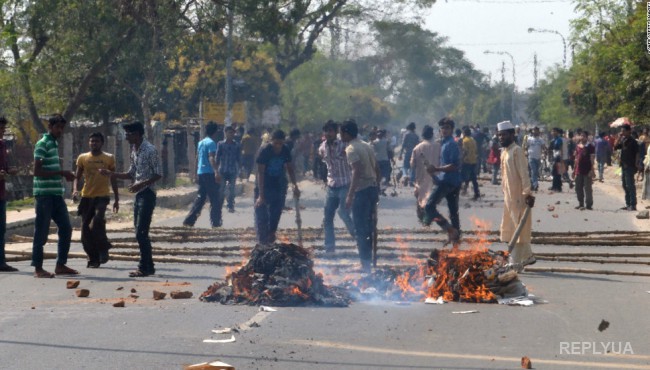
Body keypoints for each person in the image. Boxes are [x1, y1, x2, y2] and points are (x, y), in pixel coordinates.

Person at [100, 122, 161, 277]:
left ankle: (144, 267)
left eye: (128, 134)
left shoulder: (150, 150)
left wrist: (142, 183)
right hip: (139, 194)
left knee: (141, 232)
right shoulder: (134, 150)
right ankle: (149, 266)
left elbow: (158, 174)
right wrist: (111, 174)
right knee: (139, 231)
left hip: (147, 193)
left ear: (137, 134)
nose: (126, 137)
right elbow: (131, 174)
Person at [31, 114, 78, 278]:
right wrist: (62, 173)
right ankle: (38, 268)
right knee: (41, 232)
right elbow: (37, 172)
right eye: (57, 127)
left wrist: (63, 175)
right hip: (44, 195)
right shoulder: (42, 144)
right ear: (50, 127)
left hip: (56, 194)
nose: (59, 130)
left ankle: (61, 264)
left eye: (61, 128)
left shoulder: (54, 143)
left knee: (66, 228)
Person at [72, 132, 119, 268]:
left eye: (97, 141)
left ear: (102, 143)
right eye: (92, 141)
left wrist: (116, 199)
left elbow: (113, 178)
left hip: (102, 196)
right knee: (85, 230)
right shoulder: (83, 158)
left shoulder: (109, 158)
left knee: (98, 220)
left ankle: (103, 248)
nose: (94, 143)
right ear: (89, 143)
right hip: (86, 197)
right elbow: (77, 176)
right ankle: (93, 258)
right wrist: (75, 190)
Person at [497, 121, 536, 272]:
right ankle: (527, 257)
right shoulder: (504, 152)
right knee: (513, 226)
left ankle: (515, 262)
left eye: (504, 135)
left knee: (519, 228)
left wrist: (527, 192)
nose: (501, 138)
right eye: (499, 135)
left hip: (520, 196)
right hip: (509, 196)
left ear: (512, 135)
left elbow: (524, 173)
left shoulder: (517, 151)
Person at [341, 119, 379, 272]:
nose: (340, 136)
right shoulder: (366, 145)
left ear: (346, 133)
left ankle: (365, 265)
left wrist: (350, 195)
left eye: (341, 133)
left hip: (362, 191)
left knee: (360, 228)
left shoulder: (351, 149)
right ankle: (367, 262)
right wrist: (378, 187)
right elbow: (376, 168)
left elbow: (356, 171)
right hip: (372, 189)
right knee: (369, 227)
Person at [254, 129, 300, 244]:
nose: (278, 146)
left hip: (278, 185)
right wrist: (261, 195)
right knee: (262, 217)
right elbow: (260, 173)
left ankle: (271, 236)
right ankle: (262, 242)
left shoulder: (285, 150)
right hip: (263, 185)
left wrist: (295, 185)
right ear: (271, 141)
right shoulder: (265, 150)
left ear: (283, 142)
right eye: (276, 143)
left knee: (276, 214)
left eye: (280, 143)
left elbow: (290, 168)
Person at [318, 121, 355, 254]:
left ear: (336, 132)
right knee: (328, 216)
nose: (328, 134)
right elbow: (323, 161)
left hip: (345, 183)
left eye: (331, 131)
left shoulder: (344, 144)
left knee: (344, 213)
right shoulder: (322, 147)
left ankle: (357, 236)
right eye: (326, 131)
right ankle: (329, 247)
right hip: (332, 185)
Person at [423, 117, 462, 244]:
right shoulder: (443, 143)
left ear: (452, 130)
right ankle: (456, 242)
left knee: (429, 207)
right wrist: (434, 174)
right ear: (439, 130)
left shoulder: (451, 144)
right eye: (443, 128)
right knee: (453, 212)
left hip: (449, 181)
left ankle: (450, 229)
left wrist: (437, 169)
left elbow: (454, 165)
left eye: (447, 128)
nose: (445, 130)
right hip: (447, 180)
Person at [183, 122, 221, 228]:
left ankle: (189, 220)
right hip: (209, 173)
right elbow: (211, 157)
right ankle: (216, 223)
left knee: (201, 197)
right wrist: (216, 172)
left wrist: (195, 173)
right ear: (215, 132)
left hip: (201, 173)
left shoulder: (201, 143)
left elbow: (197, 158)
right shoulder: (211, 143)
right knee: (215, 199)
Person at [410, 125, 440, 223]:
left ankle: (422, 217)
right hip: (436, 177)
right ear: (432, 135)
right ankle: (429, 216)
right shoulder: (438, 146)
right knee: (432, 197)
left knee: (420, 197)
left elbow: (412, 164)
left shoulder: (417, 148)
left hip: (421, 177)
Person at [0, 117, 19, 272]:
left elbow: (4, 170)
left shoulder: (3, 145)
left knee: (1, 229)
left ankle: (1, 261)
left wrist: (9, 171)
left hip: (0, 194)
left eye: (3, 129)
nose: (2, 132)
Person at [614, 124, 640, 211]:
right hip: (623, 166)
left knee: (630, 186)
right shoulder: (623, 140)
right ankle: (628, 204)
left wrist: (636, 164)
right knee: (625, 185)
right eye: (621, 131)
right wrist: (618, 138)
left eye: (624, 131)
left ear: (629, 131)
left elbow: (637, 153)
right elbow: (615, 147)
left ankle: (633, 205)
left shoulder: (633, 141)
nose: (622, 132)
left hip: (630, 166)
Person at [216, 126, 241, 213]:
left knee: (232, 189)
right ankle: (219, 205)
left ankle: (230, 205)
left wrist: (241, 169)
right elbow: (217, 157)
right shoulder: (221, 144)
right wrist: (216, 171)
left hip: (232, 170)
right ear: (225, 133)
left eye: (232, 133)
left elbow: (239, 158)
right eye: (229, 132)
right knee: (221, 189)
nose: (231, 134)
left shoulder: (237, 145)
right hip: (222, 170)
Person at [573, 131, 595, 210]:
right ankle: (581, 203)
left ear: (587, 137)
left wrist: (592, 170)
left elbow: (592, 159)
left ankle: (589, 204)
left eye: (584, 136)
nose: (582, 137)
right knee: (578, 187)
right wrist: (574, 170)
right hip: (579, 170)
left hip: (587, 170)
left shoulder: (590, 146)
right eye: (581, 136)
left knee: (587, 188)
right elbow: (576, 159)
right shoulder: (578, 146)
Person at [461, 127, 480, 200]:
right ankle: (476, 193)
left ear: (464, 133)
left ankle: (463, 190)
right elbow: (476, 150)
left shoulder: (465, 141)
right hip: (474, 160)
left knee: (463, 176)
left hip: (467, 161)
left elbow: (465, 151)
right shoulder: (473, 140)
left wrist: (461, 159)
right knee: (473, 178)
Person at [525, 127, 545, 192]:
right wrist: (525, 152)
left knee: (536, 172)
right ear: (532, 131)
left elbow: (543, 147)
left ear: (538, 132)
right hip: (531, 157)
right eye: (534, 130)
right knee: (533, 171)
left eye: (537, 130)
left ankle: (532, 185)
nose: (535, 132)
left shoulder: (541, 140)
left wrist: (545, 153)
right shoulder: (529, 139)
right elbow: (526, 147)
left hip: (538, 158)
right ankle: (535, 184)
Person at [399, 122, 419, 186]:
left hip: (407, 152)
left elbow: (403, 144)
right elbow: (418, 145)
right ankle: (411, 180)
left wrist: (400, 154)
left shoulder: (406, 134)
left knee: (405, 166)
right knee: (412, 167)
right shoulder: (416, 135)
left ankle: (405, 176)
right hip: (414, 153)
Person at [548, 128, 564, 192]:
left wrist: (561, 157)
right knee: (554, 172)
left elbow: (561, 149)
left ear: (557, 132)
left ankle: (558, 187)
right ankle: (554, 186)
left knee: (557, 172)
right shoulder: (552, 140)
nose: (553, 132)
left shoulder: (559, 140)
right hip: (554, 157)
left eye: (555, 131)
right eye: (552, 131)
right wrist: (549, 156)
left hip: (558, 156)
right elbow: (550, 149)